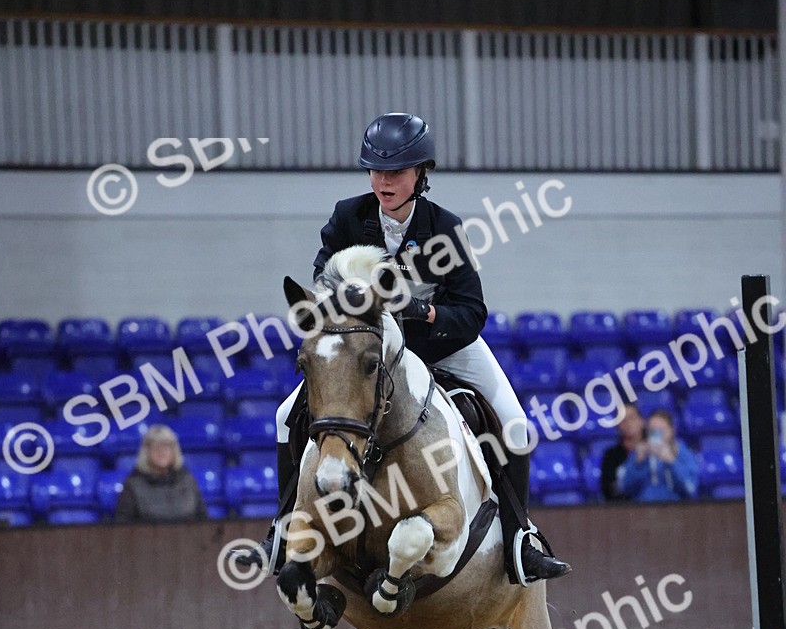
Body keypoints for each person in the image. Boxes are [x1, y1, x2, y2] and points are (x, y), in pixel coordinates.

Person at [250, 112, 571, 587]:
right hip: (371, 356)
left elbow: (471, 312)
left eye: (396, 172)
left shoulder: (445, 227)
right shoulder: (348, 217)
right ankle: (283, 526)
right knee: (283, 416)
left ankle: (520, 536)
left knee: (517, 423)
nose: (384, 182)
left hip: (443, 347)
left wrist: (424, 313)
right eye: (377, 172)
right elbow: (322, 284)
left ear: (421, 174)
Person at [115, 424, 207, 523]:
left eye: (167, 446)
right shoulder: (133, 484)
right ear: (146, 452)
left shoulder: (187, 479)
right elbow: (122, 527)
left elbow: (203, 521)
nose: (162, 451)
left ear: (174, 451)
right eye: (155, 446)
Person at [615, 408, 700, 503]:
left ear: (672, 430)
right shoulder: (639, 453)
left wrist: (672, 462)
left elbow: (690, 489)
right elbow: (623, 488)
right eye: (653, 431)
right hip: (643, 510)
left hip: (675, 510)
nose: (657, 435)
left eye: (661, 430)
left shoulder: (683, 453)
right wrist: (637, 464)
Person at [600, 402, 646, 500]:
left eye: (631, 418)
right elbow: (609, 490)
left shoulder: (654, 451)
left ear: (641, 421)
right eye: (623, 420)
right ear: (618, 425)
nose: (628, 423)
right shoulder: (611, 456)